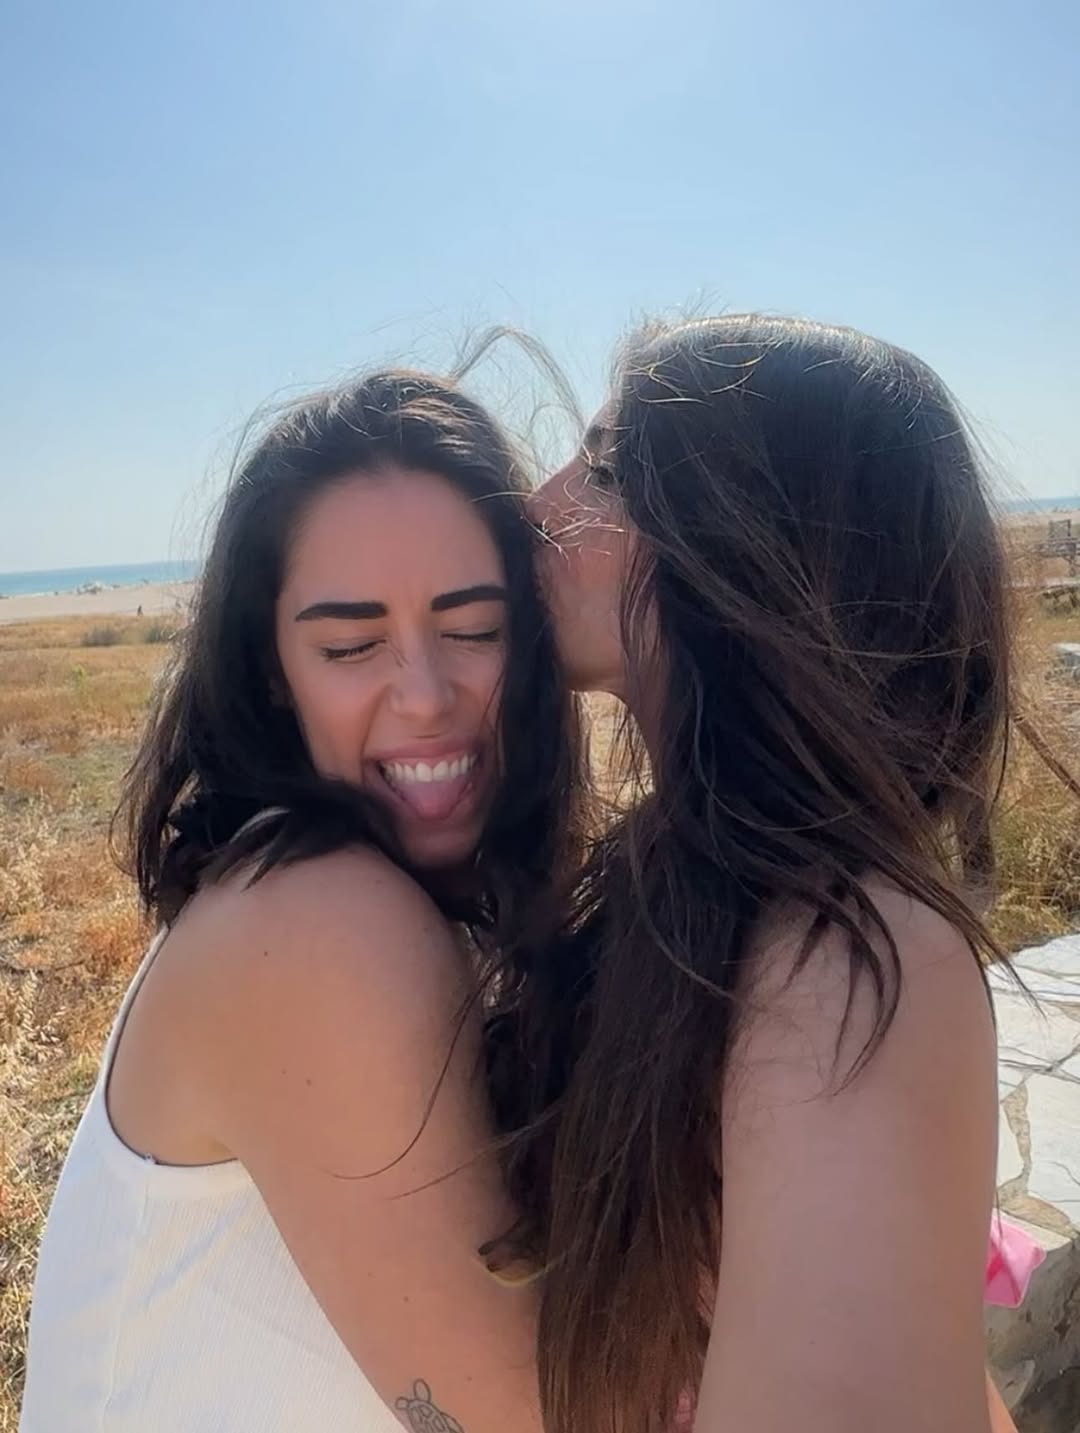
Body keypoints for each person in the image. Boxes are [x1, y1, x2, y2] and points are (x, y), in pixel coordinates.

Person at [18, 371, 582, 1433]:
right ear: (271, 669)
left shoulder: (395, 899)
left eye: (474, 628)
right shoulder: (313, 917)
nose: (425, 694)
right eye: (350, 646)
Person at [507, 313, 1023, 1432]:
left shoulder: (844, 963)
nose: (538, 502)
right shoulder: (699, 890)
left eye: (606, 470)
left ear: (751, 545)